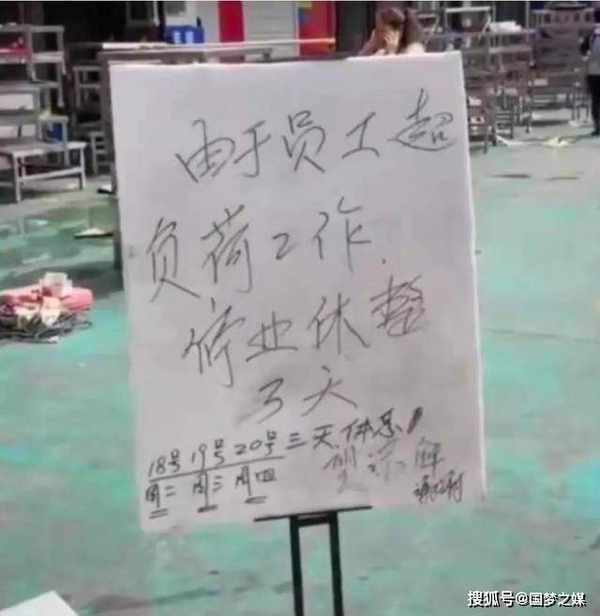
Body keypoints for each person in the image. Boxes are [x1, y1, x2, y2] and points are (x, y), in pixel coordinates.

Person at [359, 6, 425, 56]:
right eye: (377, 30)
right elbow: (358, 65)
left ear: (397, 33)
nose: (378, 35)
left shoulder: (413, 50)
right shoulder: (381, 52)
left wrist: (391, 52)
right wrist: (370, 45)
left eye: (382, 31)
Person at [581, 22, 600, 136]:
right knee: (596, 100)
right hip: (593, 72)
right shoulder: (592, 36)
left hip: (593, 72)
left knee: (595, 99)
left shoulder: (591, 35)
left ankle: (598, 126)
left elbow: (583, 51)